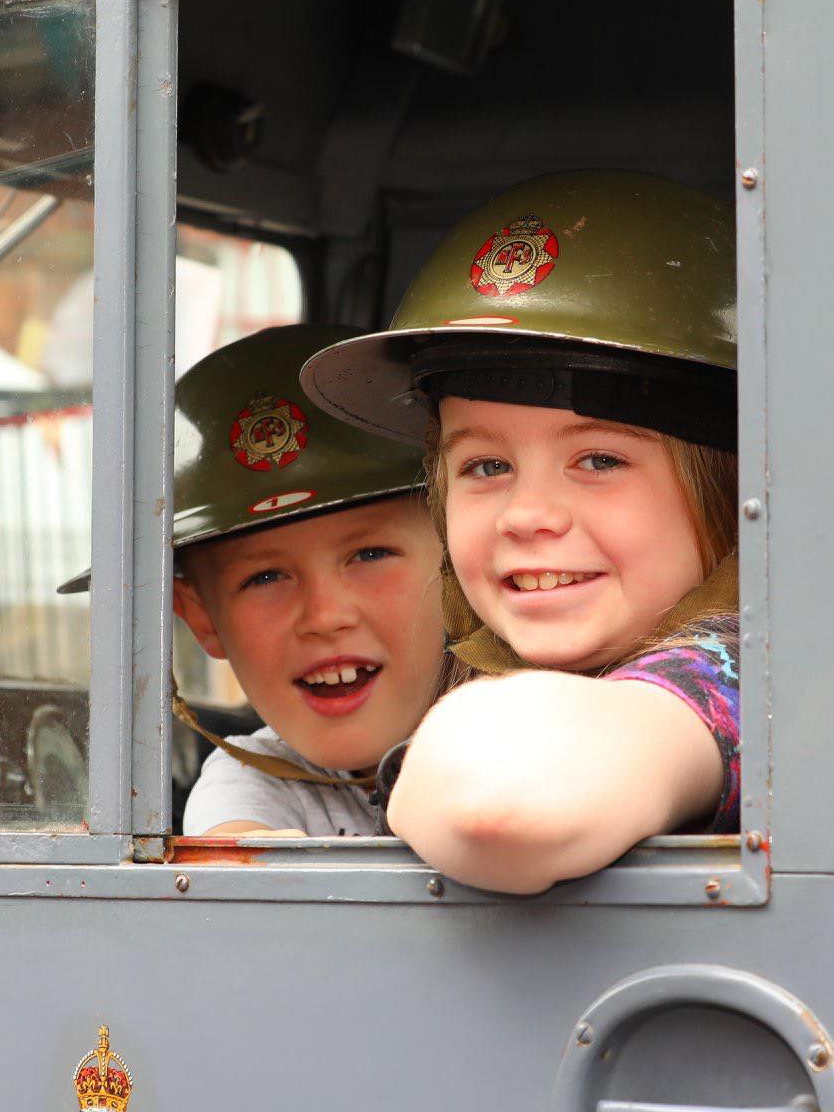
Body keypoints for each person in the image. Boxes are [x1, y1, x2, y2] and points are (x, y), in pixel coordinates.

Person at [300, 169, 739, 892]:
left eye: (599, 460)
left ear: (726, 491)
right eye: (485, 466)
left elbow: (501, 805)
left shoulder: (737, 677)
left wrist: (415, 771)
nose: (527, 514)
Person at [64, 323, 447, 836]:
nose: (325, 616)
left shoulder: (539, 722)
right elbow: (238, 853)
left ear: (461, 566)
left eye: (370, 553)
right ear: (201, 616)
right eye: (265, 577)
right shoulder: (250, 783)